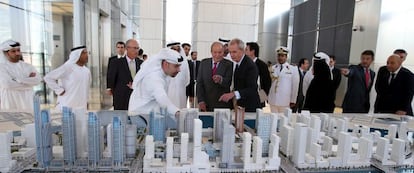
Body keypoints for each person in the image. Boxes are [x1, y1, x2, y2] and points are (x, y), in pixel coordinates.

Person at [128, 48, 182, 117]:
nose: (179, 70)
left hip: (149, 116)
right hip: (140, 117)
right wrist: (178, 113)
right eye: (176, 66)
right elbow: (162, 99)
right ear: (166, 64)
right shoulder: (153, 78)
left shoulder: (164, 74)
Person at [219, 38, 260, 112]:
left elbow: (252, 89)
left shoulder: (250, 65)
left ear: (242, 51)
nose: (231, 55)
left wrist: (233, 94)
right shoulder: (238, 63)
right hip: (241, 104)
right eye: (230, 52)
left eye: (234, 52)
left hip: (250, 106)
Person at [44, 45, 91, 110]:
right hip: (67, 105)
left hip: (81, 106)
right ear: (77, 55)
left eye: (87, 53)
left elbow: (86, 88)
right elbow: (48, 78)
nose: (86, 55)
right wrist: (59, 90)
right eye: (83, 53)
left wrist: (86, 101)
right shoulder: (68, 67)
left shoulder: (86, 71)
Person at [0, 39, 41, 111]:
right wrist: (29, 82)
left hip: (27, 99)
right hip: (10, 99)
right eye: (13, 51)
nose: (17, 53)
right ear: (6, 53)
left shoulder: (28, 66)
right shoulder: (2, 67)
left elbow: (37, 80)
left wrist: (18, 80)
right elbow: (7, 84)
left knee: (30, 120)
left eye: (18, 50)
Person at [107, 39, 143, 110]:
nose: (137, 50)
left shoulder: (141, 63)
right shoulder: (116, 63)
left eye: (137, 48)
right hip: (121, 99)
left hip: (137, 99)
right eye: (135, 48)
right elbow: (111, 78)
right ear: (127, 48)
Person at [197, 42, 233, 111]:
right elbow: (199, 83)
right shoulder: (204, 63)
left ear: (224, 52)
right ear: (211, 52)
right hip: (206, 104)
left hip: (222, 104)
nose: (217, 55)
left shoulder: (229, 64)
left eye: (220, 52)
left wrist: (221, 80)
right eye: (215, 52)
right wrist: (201, 101)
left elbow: (229, 82)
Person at [268, 47, 300, 113]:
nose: (280, 58)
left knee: (284, 121)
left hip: (285, 101)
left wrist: (293, 100)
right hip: (273, 100)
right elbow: (268, 84)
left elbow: (295, 86)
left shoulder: (293, 69)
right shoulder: (272, 68)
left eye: (282, 56)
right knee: (273, 120)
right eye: (279, 55)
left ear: (286, 57)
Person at [245, 42, 271, 107]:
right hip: (245, 96)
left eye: (246, 50)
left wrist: (262, 98)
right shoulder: (245, 64)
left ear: (252, 51)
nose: (244, 52)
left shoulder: (262, 65)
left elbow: (267, 82)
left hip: (258, 97)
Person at [166, 41, 190, 109]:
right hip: (168, 92)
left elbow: (187, 79)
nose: (175, 51)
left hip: (180, 92)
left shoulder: (184, 63)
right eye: (173, 49)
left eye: (177, 49)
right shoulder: (165, 62)